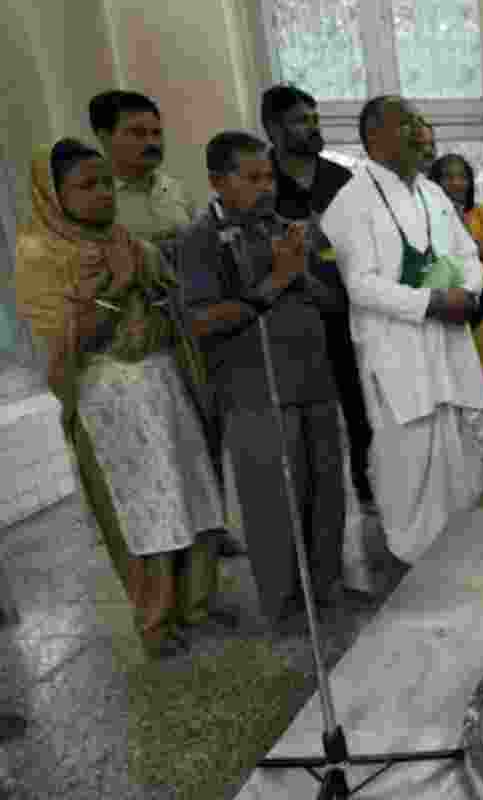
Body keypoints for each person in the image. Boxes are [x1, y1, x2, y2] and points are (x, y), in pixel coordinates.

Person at [15, 139, 235, 659]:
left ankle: (196, 602)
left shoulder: (128, 241)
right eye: (86, 186)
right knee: (142, 508)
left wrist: (154, 292)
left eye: (105, 183)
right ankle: (155, 619)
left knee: (190, 492)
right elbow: (66, 340)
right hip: (106, 399)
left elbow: (170, 299)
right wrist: (116, 289)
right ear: (54, 194)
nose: (102, 195)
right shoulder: (39, 256)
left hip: (163, 385)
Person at [178, 131, 347, 626]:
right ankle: (283, 605)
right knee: (275, 504)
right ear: (217, 181)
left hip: (314, 382)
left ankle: (325, 589)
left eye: (268, 176)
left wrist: (301, 272)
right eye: (251, 178)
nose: (266, 187)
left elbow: (334, 301)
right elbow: (201, 322)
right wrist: (273, 282)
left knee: (326, 495)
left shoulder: (290, 229)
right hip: (258, 392)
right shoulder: (201, 240)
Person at [320, 96, 483, 565]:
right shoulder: (350, 202)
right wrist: (429, 303)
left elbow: (467, 255)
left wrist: (469, 293)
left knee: (458, 450)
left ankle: (459, 554)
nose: (422, 133)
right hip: (398, 353)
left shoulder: (433, 194)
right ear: (376, 135)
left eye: (421, 123)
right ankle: (415, 563)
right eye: (410, 124)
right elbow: (360, 285)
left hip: (448, 342)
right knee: (409, 457)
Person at [261, 85, 372, 510]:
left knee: (360, 402)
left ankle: (366, 485)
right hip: (294, 316)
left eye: (314, 119)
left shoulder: (340, 179)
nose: (311, 128)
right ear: (273, 129)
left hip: (348, 308)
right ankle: (310, 500)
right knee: (306, 417)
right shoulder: (262, 181)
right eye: (299, 121)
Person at [431, 152, 483, 478]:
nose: (456, 183)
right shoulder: (426, 218)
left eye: (462, 176)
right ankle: (456, 463)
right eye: (448, 176)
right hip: (446, 310)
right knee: (454, 384)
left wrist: (480, 249)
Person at [88, 91, 196, 246]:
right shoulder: (92, 199)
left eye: (156, 133)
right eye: (138, 133)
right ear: (104, 137)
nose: (152, 143)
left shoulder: (176, 190)